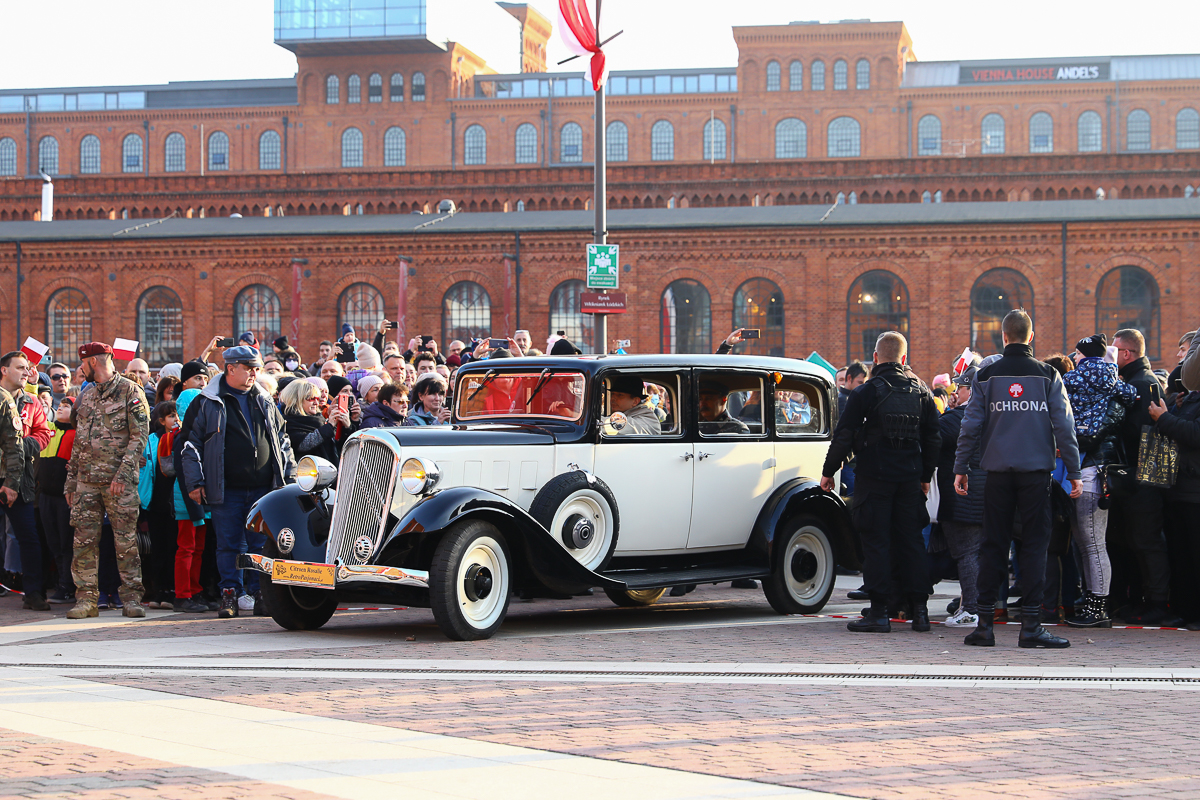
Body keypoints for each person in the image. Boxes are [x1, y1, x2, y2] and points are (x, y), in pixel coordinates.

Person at [954, 310, 1081, 649]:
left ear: (1003, 335)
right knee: (1035, 546)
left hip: (996, 472)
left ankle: (984, 624)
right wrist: (1075, 471)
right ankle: (1031, 626)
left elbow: (970, 425)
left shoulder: (985, 375)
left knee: (992, 545)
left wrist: (961, 467)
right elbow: (1064, 427)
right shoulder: (1048, 375)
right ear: (1031, 336)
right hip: (1035, 474)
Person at [821, 332, 940, 633]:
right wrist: (925, 476)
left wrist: (829, 471)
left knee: (876, 542)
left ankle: (878, 612)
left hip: (874, 478)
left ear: (874, 358)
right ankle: (920, 612)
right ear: (903, 358)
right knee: (912, 542)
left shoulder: (866, 392)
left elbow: (844, 435)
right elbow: (933, 438)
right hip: (910, 479)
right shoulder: (922, 391)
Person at [180, 345, 296, 619]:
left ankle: (260, 594)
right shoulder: (206, 402)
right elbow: (189, 446)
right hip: (226, 488)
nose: (255, 374)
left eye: (257, 368)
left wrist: (288, 479)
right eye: (249, 368)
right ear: (230, 369)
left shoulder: (265, 399)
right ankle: (230, 594)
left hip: (263, 488)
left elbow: (282, 441)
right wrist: (195, 483)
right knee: (229, 545)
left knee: (260, 545)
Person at [63, 342, 150, 619]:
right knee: (83, 542)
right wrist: (71, 481)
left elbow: (140, 436)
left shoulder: (130, 391)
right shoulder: (86, 396)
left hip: (118, 482)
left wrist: (123, 474)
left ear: (94, 362)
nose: (80, 369)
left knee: (125, 542)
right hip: (86, 482)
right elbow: (78, 442)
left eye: (83, 364)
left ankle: (132, 598)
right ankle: (86, 600)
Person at [1061, 334, 1136, 627]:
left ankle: (1097, 609)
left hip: (1082, 467)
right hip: (1102, 468)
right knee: (1093, 543)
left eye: (1076, 353)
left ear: (1082, 354)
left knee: (1089, 543)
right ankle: (1096, 605)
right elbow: (1132, 397)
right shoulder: (1116, 382)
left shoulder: (1070, 380)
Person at [1110, 328, 1175, 625]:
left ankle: (1157, 603)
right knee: (1135, 542)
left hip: (1143, 478)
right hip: (1139, 477)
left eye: (1114, 350)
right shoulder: (1137, 381)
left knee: (1147, 542)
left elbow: (1143, 435)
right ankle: (1140, 599)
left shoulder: (1143, 384)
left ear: (1126, 353)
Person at [0, 351, 54, 610]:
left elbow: (45, 434)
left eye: (27, 368)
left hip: (20, 478)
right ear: (4, 370)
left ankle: (33, 592)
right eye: (20, 367)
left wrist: (21, 446)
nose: (25, 372)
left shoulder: (32, 401)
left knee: (29, 537)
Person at [936, 369, 986, 628]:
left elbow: (934, 437)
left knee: (966, 554)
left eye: (960, 389)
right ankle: (979, 607)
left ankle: (970, 610)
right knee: (979, 553)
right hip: (988, 493)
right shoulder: (995, 415)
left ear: (970, 390)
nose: (955, 393)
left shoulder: (958, 418)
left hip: (963, 495)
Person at [1148, 386, 1200, 630]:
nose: (1181, 356)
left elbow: (1195, 433)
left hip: (1195, 491)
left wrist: (1165, 417)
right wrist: (1174, 408)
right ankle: (1185, 610)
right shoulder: (1189, 397)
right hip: (1180, 488)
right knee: (1181, 557)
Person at [39, 397, 77, 604]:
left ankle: (68, 585)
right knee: (53, 541)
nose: (62, 408)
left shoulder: (77, 434)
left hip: (66, 497)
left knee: (66, 543)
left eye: (67, 406)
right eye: (60, 406)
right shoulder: (48, 429)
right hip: (45, 495)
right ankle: (61, 582)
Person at [281, 379, 346, 463]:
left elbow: (338, 446)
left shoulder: (320, 419)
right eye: (311, 398)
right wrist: (329, 426)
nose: (316, 403)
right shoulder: (287, 422)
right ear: (297, 400)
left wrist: (347, 426)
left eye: (317, 398)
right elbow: (303, 444)